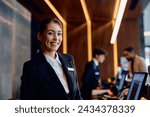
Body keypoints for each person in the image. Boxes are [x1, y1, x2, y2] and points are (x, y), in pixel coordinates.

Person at [20, 18, 82, 100]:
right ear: (40, 36)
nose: (56, 38)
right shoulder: (31, 67)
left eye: (59, 34)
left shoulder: (69, 59)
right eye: (51, 33)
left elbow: (77, 94)